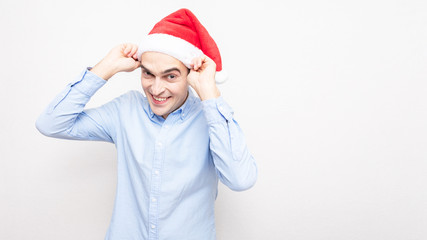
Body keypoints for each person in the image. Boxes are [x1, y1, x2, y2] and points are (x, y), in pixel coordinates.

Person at [36, 8, 257, 240]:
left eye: (171, 76)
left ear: (191, 74)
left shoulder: (211, 119)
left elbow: (240, 179)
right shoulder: (125, 110)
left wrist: (209, 93)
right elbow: (51, 123)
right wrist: (107, 67)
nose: (156, 88)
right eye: (148, 74)